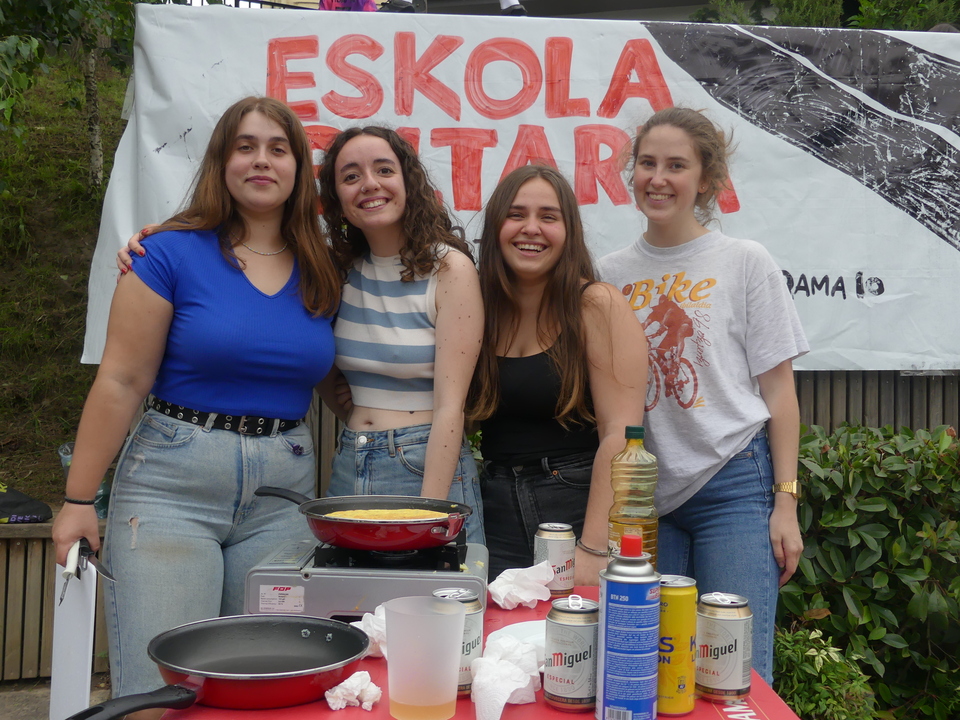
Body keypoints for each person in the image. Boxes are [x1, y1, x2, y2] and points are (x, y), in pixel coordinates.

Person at [53, 96, 342, 717]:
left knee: (264, 692)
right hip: (170, 488)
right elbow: (121, 380)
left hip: (283, 499)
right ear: (221, 161)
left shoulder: (324, 267)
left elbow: (340, 378)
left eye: (278, 148)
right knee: (160, 694)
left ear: (298, 168)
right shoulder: (166, 254)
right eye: (245, 147)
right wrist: (78, 500)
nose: (261, 160)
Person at [596, 106, 808, 684]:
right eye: (647, 163)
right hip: (645, 496)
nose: (658, 178)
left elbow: (780, 392)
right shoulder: (609, 275)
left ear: (707, 180)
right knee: (650, 671)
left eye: (676, 165)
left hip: (733, 486)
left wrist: (785, 503)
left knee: (735, 673)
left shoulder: (745, 261)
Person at [467, 165, 647, 584]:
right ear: (495, 228)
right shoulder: (480, 309)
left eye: (548, 216)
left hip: (574, 505)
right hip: (493, 507)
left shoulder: (595, 304)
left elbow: (621, 434)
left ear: (569, 232)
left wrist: (594, 546)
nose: (531, 228)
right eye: (516, 214)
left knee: (573, 626)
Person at [315, 126, 486, 544]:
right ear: (337, 197)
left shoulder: (449, 269)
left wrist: (429, 514)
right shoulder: (338, 271)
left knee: (429, 586)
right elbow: (314, 360)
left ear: (408, 181)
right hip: (349, 461)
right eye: (351, 176)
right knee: (346, 590)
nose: (369, 184)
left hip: (424, 466)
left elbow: (451, 408)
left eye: (384, 170)